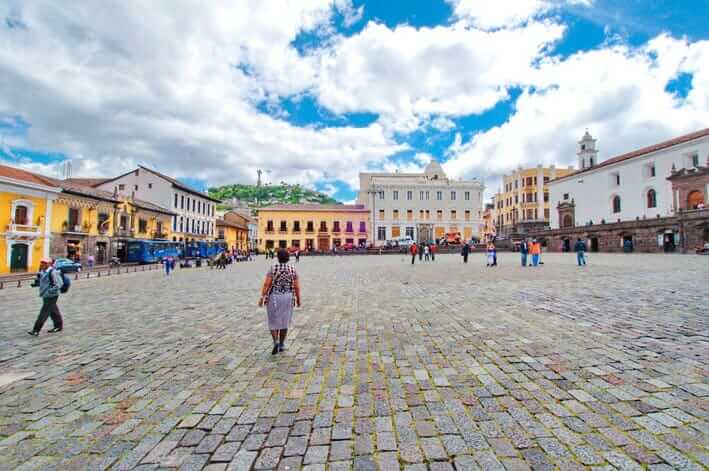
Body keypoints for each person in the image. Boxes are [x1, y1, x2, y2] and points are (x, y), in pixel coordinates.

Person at [259, 249, 301, 355]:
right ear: (288, 257)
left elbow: (266, 285)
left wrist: (262, 297)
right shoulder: (292, 269)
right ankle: (282, 344)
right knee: (284, 321)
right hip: (288, 297)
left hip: (274, 296)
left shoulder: (273, 268)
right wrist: (299, 300)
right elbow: (296, 286)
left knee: (273, 321)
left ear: (277, 257)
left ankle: (275, 341)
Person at [28, 258, 64, 336]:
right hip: (45, 295)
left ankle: (36, 330)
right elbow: (44, 281)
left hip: (51, 295)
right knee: (53, 311)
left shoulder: (53, 272)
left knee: (44, 312)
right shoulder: (44, 271)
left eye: (45, 263)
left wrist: (49, 292)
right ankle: (58, 326)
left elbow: (59, 284)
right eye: (42, 262)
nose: (42, 264)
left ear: (49, 264)